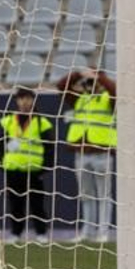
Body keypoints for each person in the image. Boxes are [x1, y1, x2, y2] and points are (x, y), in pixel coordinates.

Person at [56, 67, 117, 242]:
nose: (90, 85)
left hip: (102, 153)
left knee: (104, 195)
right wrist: (78, 74)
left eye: (93, 82)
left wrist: (99, 76)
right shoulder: (80, 99)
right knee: (86, 195)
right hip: (81, 153)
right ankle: (87, 231)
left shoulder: (108, 98)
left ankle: (103, 232)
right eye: (88, 82)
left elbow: (114, 90)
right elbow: (61, 86)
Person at [0, 86, 54, 243]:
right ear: (17, 101)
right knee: (16, 204)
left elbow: (49, 147)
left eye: (28, 98)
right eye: (21, 98)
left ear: (33, 101)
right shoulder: (8, 120)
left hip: (34, 169)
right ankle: (16, 233)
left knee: (37, 203)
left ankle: (41, 233)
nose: (25, 102)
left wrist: (46, 167)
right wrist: (1, 163)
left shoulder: (41, 122)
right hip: (13, 168)